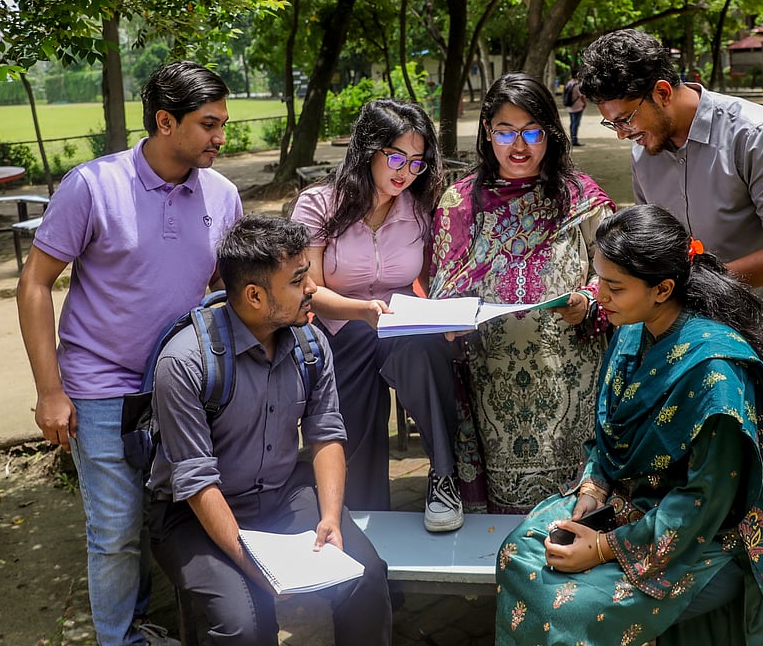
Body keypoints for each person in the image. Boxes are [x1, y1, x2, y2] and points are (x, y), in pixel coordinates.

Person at [495, 204, 763, 646]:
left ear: (662, 288)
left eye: (614, 286)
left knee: (567, 607)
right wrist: (593, 488)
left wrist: (603, 548)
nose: (599, 296)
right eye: (598, 279)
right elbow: (608, 436)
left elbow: (705, 500)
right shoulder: (631, 328)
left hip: (702, 538)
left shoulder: (715, 372)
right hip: (626, 506)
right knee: (519, 550)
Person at [17, 61, 242, 646]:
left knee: (164, 513)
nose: (222, 136)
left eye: (224, 122)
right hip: (99, 387)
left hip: (183, 385)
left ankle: (149, 617)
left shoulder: (222, 194)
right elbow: (35, 283)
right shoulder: (92, 186)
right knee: (115, 529)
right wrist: (49, 390)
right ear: (165, 122)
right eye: (209, 123)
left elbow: (225, 290)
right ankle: (118, 638)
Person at [145, 214, 391, 645]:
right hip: (194, 516)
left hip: (280, 496)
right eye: (298, 280)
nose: (312, 288)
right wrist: (254, 564)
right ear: (255, 295)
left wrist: (331, 519)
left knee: (366, 578)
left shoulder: (312, 345)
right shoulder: (185, 363)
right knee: (245, 622)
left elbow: (325, 433)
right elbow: (197, 481)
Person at [579, 29, 763, 454]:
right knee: (687, 485)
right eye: (610, 122)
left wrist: (690, 285)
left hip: (759, 340)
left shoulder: (756, 134)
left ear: (663, 91)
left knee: (753, 485)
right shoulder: (644, 151)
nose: (620, 134)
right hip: (680, 346)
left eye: (625, 119)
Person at [430, 72, 615, 514]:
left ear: (551, 134)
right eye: (505, 131)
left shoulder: (581, 198)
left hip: (571, 381)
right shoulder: (459, 204)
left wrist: (589, 300)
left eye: (532, 131)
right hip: (489, 385)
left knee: (571, 515)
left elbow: (616, 274)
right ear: (486, 133)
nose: (520, 145)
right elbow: (442, 286)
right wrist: (449, 320)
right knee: (496, 528)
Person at [290, 99, 464, 531]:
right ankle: (355, 519)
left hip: (402, 331)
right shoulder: (319, 205)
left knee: (423, 349)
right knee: (363, 351)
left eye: (418, 163)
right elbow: (308, 289)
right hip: (337, 329)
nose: (406, 172)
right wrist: (363, 312)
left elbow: (436, 280)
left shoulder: (420, 211)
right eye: (397, 157)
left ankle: (444, 476)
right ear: (368, 150)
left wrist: (448, 316)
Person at [562, 73, 587, 146]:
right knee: (576, 123)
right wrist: (584, 104)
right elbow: (582, 96)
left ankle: (571, 139)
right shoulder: (577, 85)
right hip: (578, 107)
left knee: (572, 123)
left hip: (570, 107)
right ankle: (574, 140)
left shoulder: (569, 83)